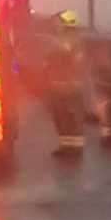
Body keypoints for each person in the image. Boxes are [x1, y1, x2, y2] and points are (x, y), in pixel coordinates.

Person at [44, 11, 88, 156]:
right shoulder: (67, 39)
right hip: (61, 85)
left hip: (69, 86)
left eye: (58, 23)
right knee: (61, 115)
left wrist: (54, 57)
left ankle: (74, 147)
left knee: (70, 116)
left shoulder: (72, 39)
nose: (56, 26)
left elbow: (69, 60)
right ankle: (66, 146)